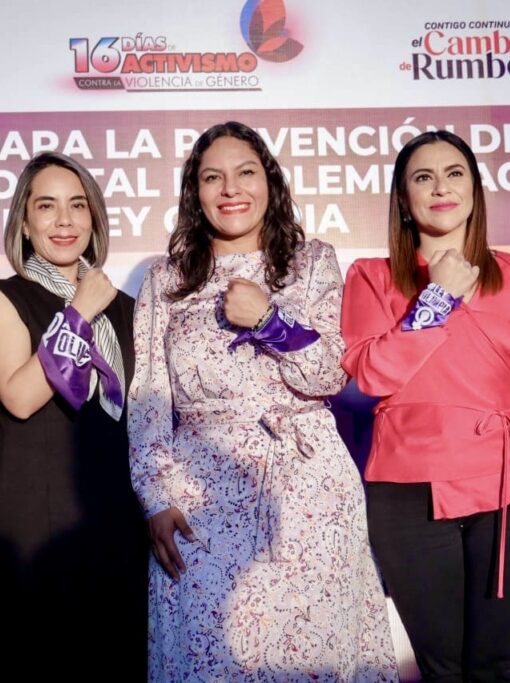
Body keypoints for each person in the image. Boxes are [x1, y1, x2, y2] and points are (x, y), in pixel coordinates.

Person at [128, 121, 398, 681]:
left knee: (313, 657)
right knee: (211, 656)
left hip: (308, 489)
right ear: (195, 193)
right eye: (213, 177)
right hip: (200, 496)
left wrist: (270, 322)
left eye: (246, 172)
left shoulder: (312, 262)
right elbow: (148, 400)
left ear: (270, 182)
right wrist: (155, 497)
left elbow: (330, 374)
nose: (231, 189)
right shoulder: (165, 281)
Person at [341, 130, 510, 681]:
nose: (440, 188)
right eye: (423, 178)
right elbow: (373, 374)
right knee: (443, 669)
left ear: (474, 189)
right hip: (407, 493)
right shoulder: (370, 278)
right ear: (403, 199)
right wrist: (437, 297)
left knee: (504, 665)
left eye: (454, 174)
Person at [0, 152, 147, 680]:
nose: (65, 220)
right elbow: (20, 397)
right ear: (24, 223)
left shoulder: (127, 308)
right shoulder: (3, 297)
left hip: (116, 516)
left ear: (94, 217)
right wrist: (78, 312)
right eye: (47, 206)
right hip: (36, 519)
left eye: (77, 205)